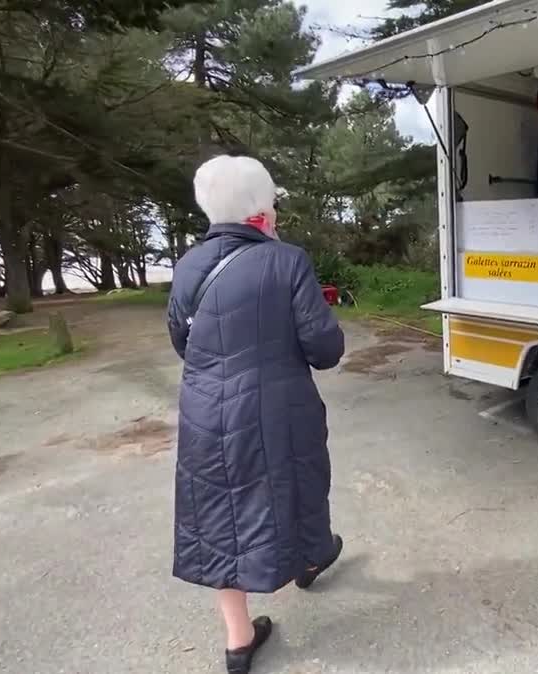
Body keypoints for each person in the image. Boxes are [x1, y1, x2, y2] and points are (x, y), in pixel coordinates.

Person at [166, 155, 346, 674]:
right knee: (297, 488)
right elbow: (324, 348)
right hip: (279, 410)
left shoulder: (187, 266)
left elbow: (183, 339)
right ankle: (311, 559)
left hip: (205, 412)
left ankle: (239, 641)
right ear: (260, 210)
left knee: (217, 515)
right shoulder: (287, 260)